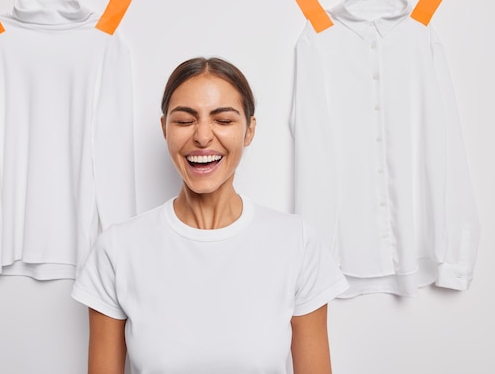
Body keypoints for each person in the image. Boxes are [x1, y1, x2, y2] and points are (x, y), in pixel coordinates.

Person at [71, 57, 349, 374]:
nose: (203, 137)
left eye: (224, 121)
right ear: (164, 128)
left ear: (249, 130)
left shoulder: (297, 244)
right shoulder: (118, 249)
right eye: (185, 121)